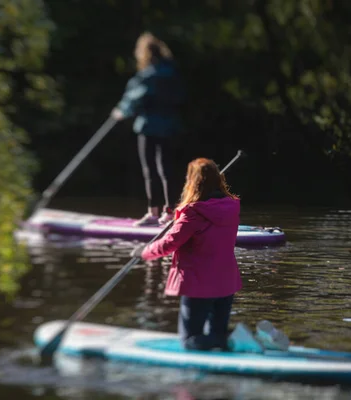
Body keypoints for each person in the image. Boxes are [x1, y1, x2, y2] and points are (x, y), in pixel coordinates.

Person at [131, 157, 244, 350]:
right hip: (226, 282)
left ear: (192, 182)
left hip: (198, 284)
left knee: (189, 341)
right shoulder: (231, 207)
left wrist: (144, 252)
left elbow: (169, 244)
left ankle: (230, 339)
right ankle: (226, 339)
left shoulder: (193, 213)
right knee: (215, 334)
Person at [111, 32, 185, 227]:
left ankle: (153, 214)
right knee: (167, 169)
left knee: (150, 170)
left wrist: (121, 111)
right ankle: (171, 213)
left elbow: (134, 98)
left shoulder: (147, 75)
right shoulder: (173, 72)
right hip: (170, 126)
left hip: (149, 126)